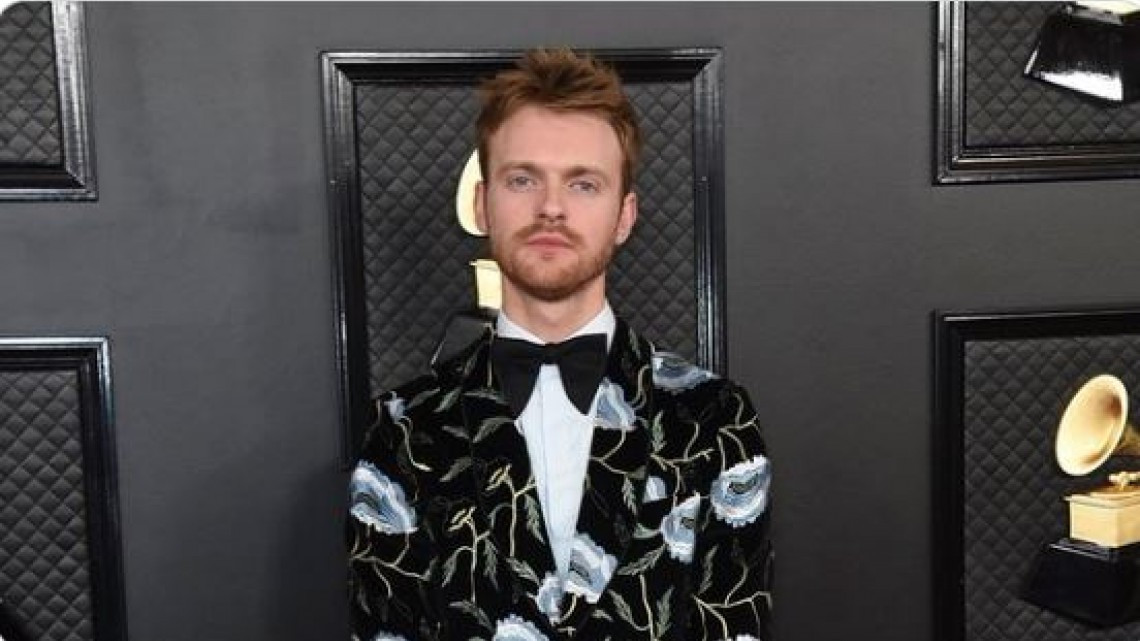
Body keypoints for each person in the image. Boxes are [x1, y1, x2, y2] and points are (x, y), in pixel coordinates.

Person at [347, 47, 772, 641]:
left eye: (583, 183)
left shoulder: (715, 420)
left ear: (624, 216)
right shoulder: (401, 431)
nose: (551, 207)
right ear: (482, 204)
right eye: (523, 179)